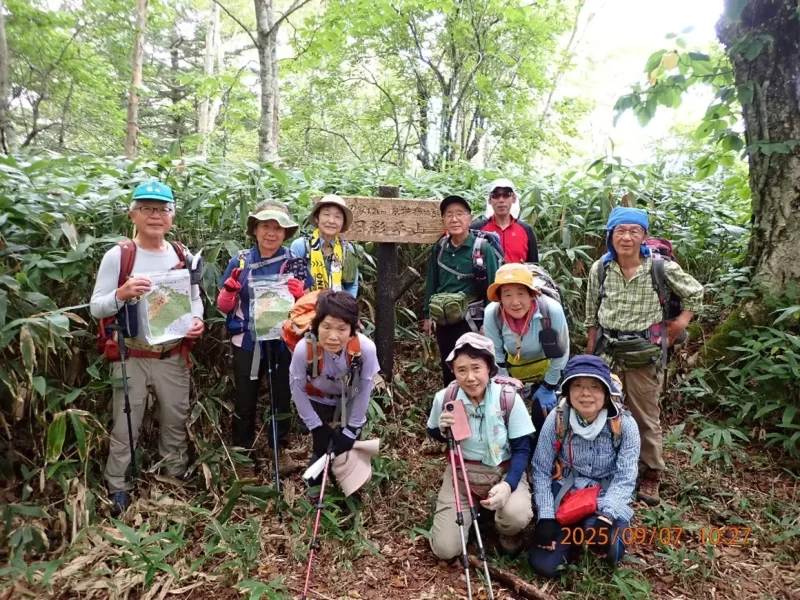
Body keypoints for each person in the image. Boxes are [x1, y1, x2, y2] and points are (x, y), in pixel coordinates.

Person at [90, 181, 205, 516]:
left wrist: (197, 320)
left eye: (162, 209)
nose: (155, 215)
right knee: (126, 422)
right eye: (147, 209)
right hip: (131, 354)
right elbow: (96, 307)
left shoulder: (181, 254)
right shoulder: (119, 255)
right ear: (133, 214)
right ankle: (118, 484)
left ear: (172, 215)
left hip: (172, 353)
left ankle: (175, 472)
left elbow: (195, 299)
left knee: (175, 417)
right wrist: (121, 294)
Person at [585, 207, 703, 504]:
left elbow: (695, 292)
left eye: (633, 231)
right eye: (620, 231)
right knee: (603, 409)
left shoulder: (659, 267)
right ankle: (608, 464)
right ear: (610, 235)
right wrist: (590, 355)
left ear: (644, 236)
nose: (626, 237)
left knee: (645, 415)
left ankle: (651, 472)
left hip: (645, 353)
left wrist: (679, 324)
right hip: (608, 352)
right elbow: (591, 314)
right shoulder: (601, 268)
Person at [529, 355, 640, 578]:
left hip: (605, 492)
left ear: (606, 392)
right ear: (568, 391)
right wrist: (546, 516)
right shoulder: (557, 419)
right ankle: (567, 532)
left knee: (610, 549)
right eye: (577, 385)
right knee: (544, 564)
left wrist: (607, 516)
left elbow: (625, 476)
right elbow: (540, 469)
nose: (585, 393)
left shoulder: (624, 424)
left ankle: (585, 528)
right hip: (565, 490)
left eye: (595, 386)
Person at [217, 201, 304, 476]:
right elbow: (224, 305)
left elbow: (307, 306)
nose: (271, 233)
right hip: (247, 340)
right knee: (245, 399)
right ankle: (242, 455)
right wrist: (230, 292)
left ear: (285, 233)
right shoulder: (240, 261)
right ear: (255, 229)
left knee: (282, 395)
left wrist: (300, 294)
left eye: (278, 228)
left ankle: (279, 448)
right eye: (265, 226)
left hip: (283, 340)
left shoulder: (294, 261)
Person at [427, 333, 534, 557]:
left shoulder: (508, 399)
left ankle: (505, 529)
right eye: (461, 370)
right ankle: (471, 513)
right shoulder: (446, 398)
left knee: (515, 515)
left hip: (502, 471)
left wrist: (508, 485)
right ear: (453, 371)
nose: (470, 377)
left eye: (476, 368)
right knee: (445, 549)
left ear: (489, 369)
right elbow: (434, 432)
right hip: (461, 473)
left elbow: (522, 448)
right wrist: (442, 429)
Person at [289, 290, 379, 497]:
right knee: (322, 448)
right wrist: (315, 426)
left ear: (353, 330)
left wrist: (352, 428)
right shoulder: (304, 349)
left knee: (348, 449)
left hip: (350, 400)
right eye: (326, 327)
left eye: (342, 329)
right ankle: (315, 492)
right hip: (318, 399)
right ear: (316, 326)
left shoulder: (365, 349)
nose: (332, 336)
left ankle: (352, 494)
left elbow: (365, 388)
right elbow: (297, 389)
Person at [423, 194, 500, 386]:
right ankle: (452, 401)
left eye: (460, 213)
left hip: (472, 320)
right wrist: (427, 315)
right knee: (449, 366)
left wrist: (488, 323)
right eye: (449, 214)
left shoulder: (482, 248)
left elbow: (493, 288)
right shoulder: (440, 248)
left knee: (474, 366)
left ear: (469, 219)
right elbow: (432, 281)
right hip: (444, 320)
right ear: (443, 220)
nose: (454, 219)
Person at [483, 263, 569, 431]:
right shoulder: (493, 315)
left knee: (545, 416)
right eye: (507, 295)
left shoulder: (551, 310)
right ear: (499, 298)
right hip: (514, 370)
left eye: (521, 293)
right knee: (510, 417)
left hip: (547, 367)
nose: (515, 302)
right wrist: (507, 387)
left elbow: (562, 352)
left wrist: (549, 387)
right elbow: (495, 356)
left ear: (532, 294)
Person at [290, 194, 359, 297]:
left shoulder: (347, 249)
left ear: (343, 223)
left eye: (337, 216)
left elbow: (352, 285)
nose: (331, 221)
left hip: (339, 305)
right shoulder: (301, 246)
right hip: (306, 304)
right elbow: (293, 282)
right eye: (326, 214)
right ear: (316, 218)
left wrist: (348, 304)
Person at [470, 178, 539, 264]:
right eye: (496, 195)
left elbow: (534, 265)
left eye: (506, 195)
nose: (501, 200)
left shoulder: (526, 229)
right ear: (490, 200)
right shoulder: (477, 229)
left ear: (513, 198)